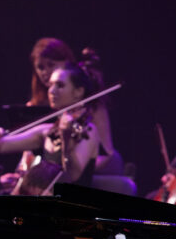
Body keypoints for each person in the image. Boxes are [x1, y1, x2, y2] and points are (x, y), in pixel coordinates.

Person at [0, 63, 102, 187]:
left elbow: (72, 176)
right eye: (50, 85)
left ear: (78, 92)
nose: (51, 91)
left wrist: (66, 140)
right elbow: (0, 147)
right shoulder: (46, 131)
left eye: (60, 85)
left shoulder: (89, 131)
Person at [25, 39, 121, 175]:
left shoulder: (91, 104)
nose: (45, 72)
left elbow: (106, 153)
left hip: (92, 173)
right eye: (40, 67)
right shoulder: (34, 106)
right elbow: (28, 153)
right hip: (51, 174)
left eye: (51, 64)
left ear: (66, 62)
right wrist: (21, 173)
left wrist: (73, 168)